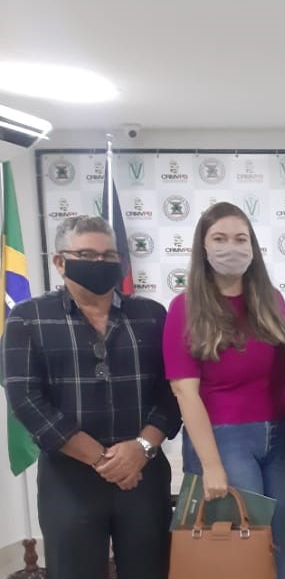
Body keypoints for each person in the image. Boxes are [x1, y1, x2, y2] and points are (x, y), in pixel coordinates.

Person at [3, 216, 180, 579]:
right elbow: (25, 398)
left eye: (108, 255)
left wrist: (141, 449)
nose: (100, 263)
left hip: (143, 472)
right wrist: (102, 459)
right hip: (68, 477)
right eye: (86, 255)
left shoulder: (151, 316)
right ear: (59, 261)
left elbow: (174, 391)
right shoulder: (27, 318)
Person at [163, 202, 285, 579]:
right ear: (203, 246)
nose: (232, 247)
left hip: (281, 434)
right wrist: (211, 465)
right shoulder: (184, 307)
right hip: (224, 438)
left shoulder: (271, 299)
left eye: (241, 239)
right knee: (245, 547)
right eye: (220, 239)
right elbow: (185, 392)